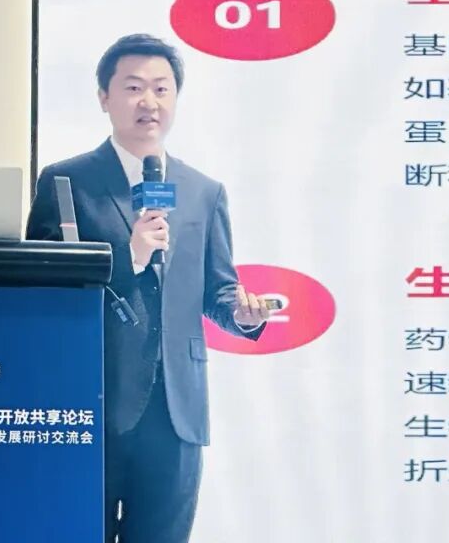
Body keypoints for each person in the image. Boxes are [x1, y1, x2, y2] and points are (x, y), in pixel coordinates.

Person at [26, 33, 271, 543]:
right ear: (104, 97)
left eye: (161, 89)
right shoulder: (66, 182)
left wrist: (243, 314)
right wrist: (129, 257)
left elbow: (218, 290)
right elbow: (43, 287)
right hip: (91, 398)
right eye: (133, 87)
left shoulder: (204, 191)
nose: (149, 102)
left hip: (176, 411)